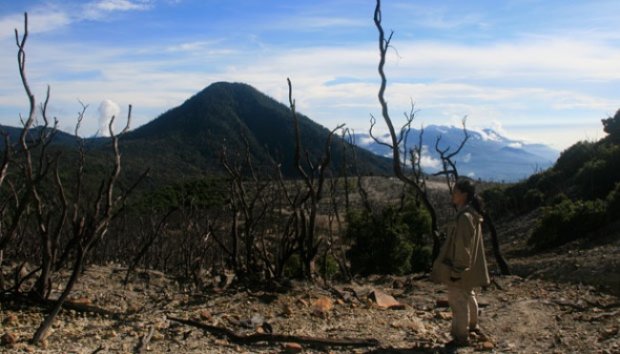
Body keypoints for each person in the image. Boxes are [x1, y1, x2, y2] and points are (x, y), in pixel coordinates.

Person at [431, 179, 490, 347]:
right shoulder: (472, 214)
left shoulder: (464, 217)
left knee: (457, 300)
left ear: (464, 195)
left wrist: (457, 271)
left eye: (455, 191)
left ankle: (460, 336)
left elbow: (463, 247)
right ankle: (473, 325)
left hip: (461, 267)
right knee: (468, 293)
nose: (452, 194)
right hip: (470, 267)